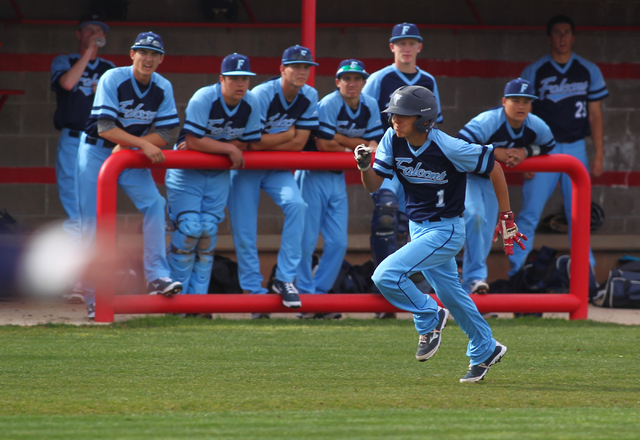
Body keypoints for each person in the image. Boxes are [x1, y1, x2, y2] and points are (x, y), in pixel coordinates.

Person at [354, 85, 526, 383]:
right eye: (393, 114)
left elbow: (494, 168)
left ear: (423, 119)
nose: (395, 120)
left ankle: (428, 315)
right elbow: (373, 185)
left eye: (403, 116)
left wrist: (506, 215)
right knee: (452, 295)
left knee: (385, 275)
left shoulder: (448, 146)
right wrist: (363, 166)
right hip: (418, 228)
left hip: (445, 230)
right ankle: (485, 347)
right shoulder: (391, 140)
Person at [75, 31, 182, 318]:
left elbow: (168, 131)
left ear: (161, 59)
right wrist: (143, 143)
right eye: (142, 52)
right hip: (98, 151)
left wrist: (132, 145)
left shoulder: (162, 86)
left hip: (129, 154)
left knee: (155, 204)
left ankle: (158, 275)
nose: (148, 58)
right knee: (94, 221)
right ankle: (93, 295)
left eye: (154, 54)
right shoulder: (114, 77)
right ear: (132, 54)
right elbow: (105, 128)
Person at [510, 14, 608, 277]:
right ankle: (517, 273)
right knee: (529, 215)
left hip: (576, 148)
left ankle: (585, 275)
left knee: (578, 215)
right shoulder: (535, 70)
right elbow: (520, 112)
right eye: (557, 32)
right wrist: (522, 152)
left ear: (573, 37)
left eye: (567, 32)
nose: (562, 37)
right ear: (549, 37)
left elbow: (595, 115)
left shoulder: (588, 70)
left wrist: (598, 153)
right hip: (543, 151)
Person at [227, 45, 318, 318]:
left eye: (306, 67)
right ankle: (255, 294)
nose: (302, 72)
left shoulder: (310, 95)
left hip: (276, 168)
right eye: (296, 67)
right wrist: (285, 136)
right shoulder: (262, 94)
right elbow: (251, 146)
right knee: (245, 233)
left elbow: (300, 143)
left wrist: (280, 141)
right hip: (247, 168)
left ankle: (284, 278)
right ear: (282, 69)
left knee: (297, 206)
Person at [362, 23, 444, 317]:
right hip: (388, 151)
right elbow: (366, 113)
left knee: (417, 222)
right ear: (392, 47)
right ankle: (384, 288)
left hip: (417, 160)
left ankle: (406, 286)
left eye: (412, 42)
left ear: (419, 47)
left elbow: (436, 123)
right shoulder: (379, 79)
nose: (406, 47)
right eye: (401, 43)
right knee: (386, 214)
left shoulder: (428, 80)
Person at [165, 54, 262, 298]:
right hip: (187, 173)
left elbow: (248, 142)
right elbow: (191, 141)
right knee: (189, 230)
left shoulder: (252, 102)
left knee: (207, 232)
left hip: (218, 173)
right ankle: (176, 304)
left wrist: (211, 144)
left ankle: (198, 304)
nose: (240, 84)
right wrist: (228, 147)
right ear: (221, 79)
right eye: (234, 78)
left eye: (245, 79)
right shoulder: (204, 97)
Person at [294, 59, 384, 319]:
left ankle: (319, 297)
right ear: (338, 82)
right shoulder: (329, 103)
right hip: (313, 174)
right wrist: (356, 143)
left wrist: (343, 141)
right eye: (347, 79)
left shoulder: (370, 104)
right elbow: (324, 145)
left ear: (364, 82)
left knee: (338, 242)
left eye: (357, 79)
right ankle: (305, 297)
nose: (352, 83)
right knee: (307, 239)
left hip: (337, 178)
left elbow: (375, 144)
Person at [457, 78, 555, 295]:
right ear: (504, 101)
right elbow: (460, 144)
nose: (521, 106)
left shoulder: (534, 123)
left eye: (526, 101)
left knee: (486, 230)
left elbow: (549, 144)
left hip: (493, 181)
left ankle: (472, 284)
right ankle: (475, 277)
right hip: (469, 176)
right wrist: (491, 152)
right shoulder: (488, 120)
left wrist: (526, 153)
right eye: (516, 100)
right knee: (475, 218)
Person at [50, 14, 115, 304]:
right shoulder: (64, 60)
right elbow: (67, 84)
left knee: (94, 216)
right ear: (79, 34)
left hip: (101, 145)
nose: (94, 33)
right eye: (88, 30)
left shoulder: (110, 68)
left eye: (99, 31)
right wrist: (88, 53)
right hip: (73, 140)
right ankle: (74, 278)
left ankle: (86, 279)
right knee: (77, 215)